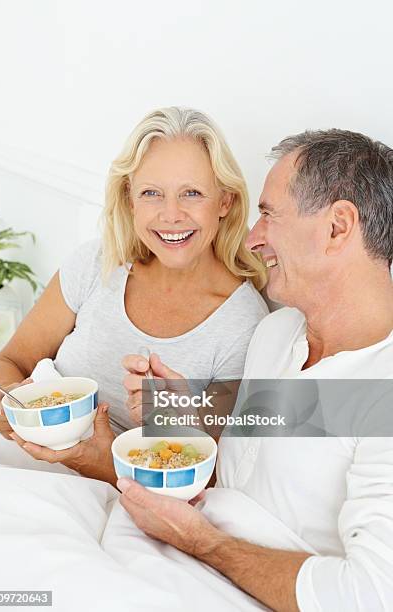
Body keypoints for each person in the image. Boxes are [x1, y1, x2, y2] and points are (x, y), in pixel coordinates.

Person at [117, 129, 393, 611]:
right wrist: (181, 408)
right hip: (174, 559)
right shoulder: (279, 332)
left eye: (268, 214)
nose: (252, 238)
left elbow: (368, 595)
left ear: (338, 227)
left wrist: (202, 542)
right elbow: (271, 446)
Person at [0, 106, 268, 484]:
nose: (171, 214)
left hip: (109, 490)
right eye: (151, 193)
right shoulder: (96, 263)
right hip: (15, 457)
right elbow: (9, 363)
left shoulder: (243, 323)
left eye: (192, 193)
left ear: (225, 202)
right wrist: (4, 403)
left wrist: (128, 444)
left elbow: (211, 475)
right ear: (130, 200)